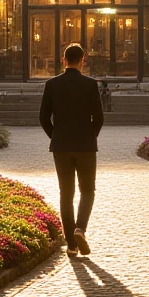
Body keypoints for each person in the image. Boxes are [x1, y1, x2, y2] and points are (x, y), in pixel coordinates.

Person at [39, 43, 104, 257]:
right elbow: (99, 118)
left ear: (63, 59)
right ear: (83, 60)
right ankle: (80, 229)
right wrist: (89, 135)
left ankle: (71, 245)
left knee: (66, 194)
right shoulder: (90, 85)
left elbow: (43, 117)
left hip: (61, 146)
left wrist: (55, 135)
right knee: (87, 191)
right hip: (85, 145)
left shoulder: (52, 84)